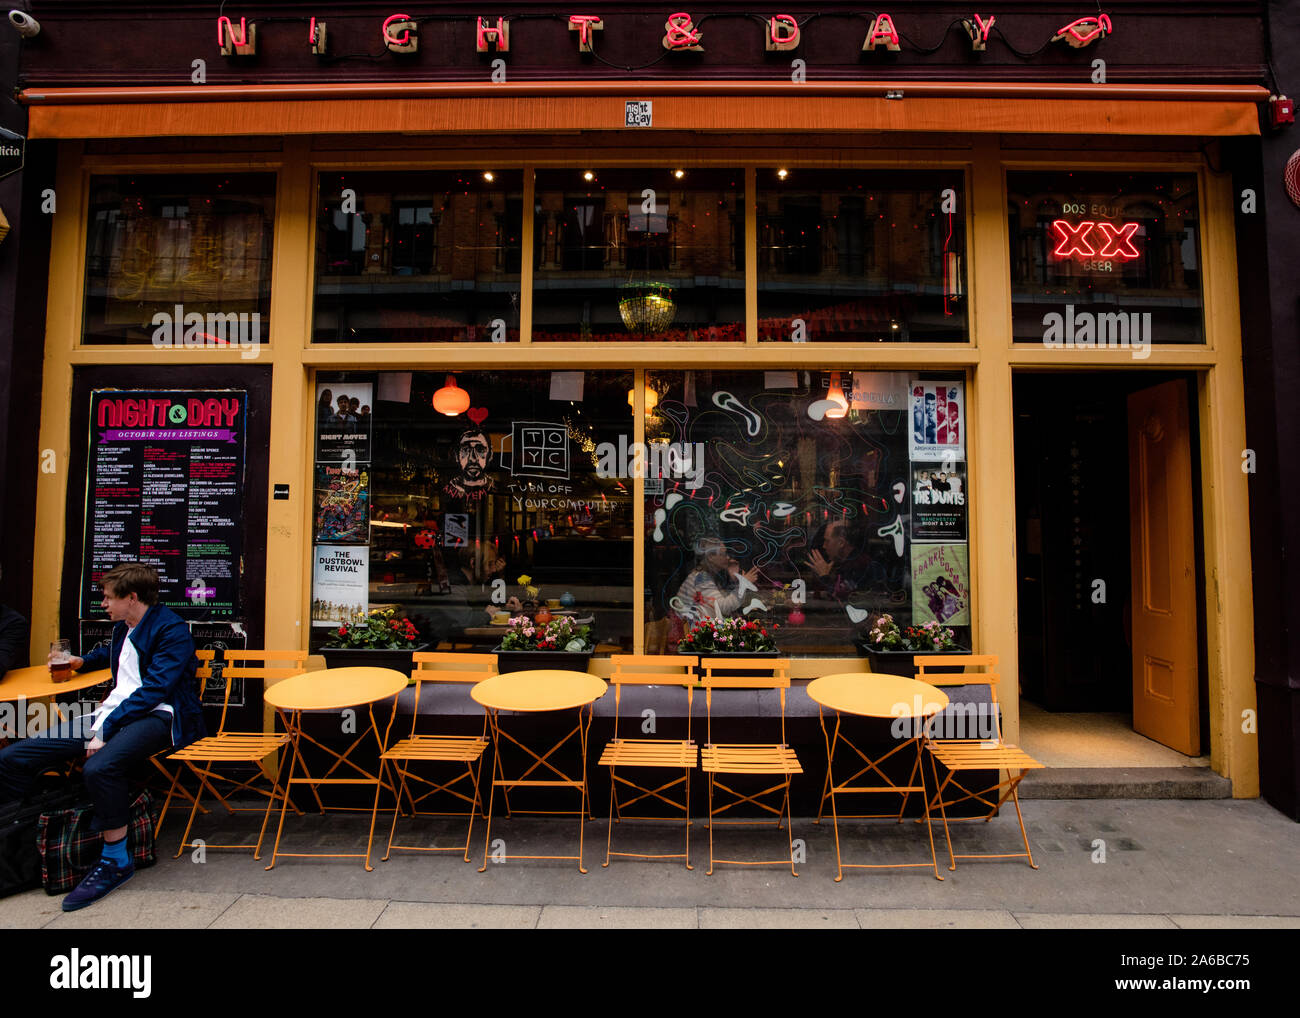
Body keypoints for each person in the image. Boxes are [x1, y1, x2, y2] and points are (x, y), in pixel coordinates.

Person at [0, 563, 204, 911]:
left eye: (109, 598)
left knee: (101, 768)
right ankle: (17, 837)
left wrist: (105, 731)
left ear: (132, 597)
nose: (103, 604)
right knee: (13, 757)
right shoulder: (125, 626)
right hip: (111, 714)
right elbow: (118, 660)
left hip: (160, 716)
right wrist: (82, 661)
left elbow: (155, 690)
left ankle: (115, 860)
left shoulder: (171, 630)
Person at [672, 537, 758, 623]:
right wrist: (743, 584)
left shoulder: (707, 574)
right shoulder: (701, 578)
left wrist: (734, 579)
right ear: (710, 557)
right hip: (686, 629)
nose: (728, 557)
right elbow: (723, 608)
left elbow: (721, 599)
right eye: (723, 554)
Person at [807, 518, 875, 600]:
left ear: (841, 543)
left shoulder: (860, 564)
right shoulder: (842, 563)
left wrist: (824, 576)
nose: (824, 546)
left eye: (827, 541)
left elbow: (839, 596)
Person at [444, 427, 496, 500]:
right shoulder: (451, 486)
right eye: (465, 449)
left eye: (480, 449)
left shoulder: (495, 488)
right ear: (456, 455)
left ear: (490, 454)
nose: (473, 459)